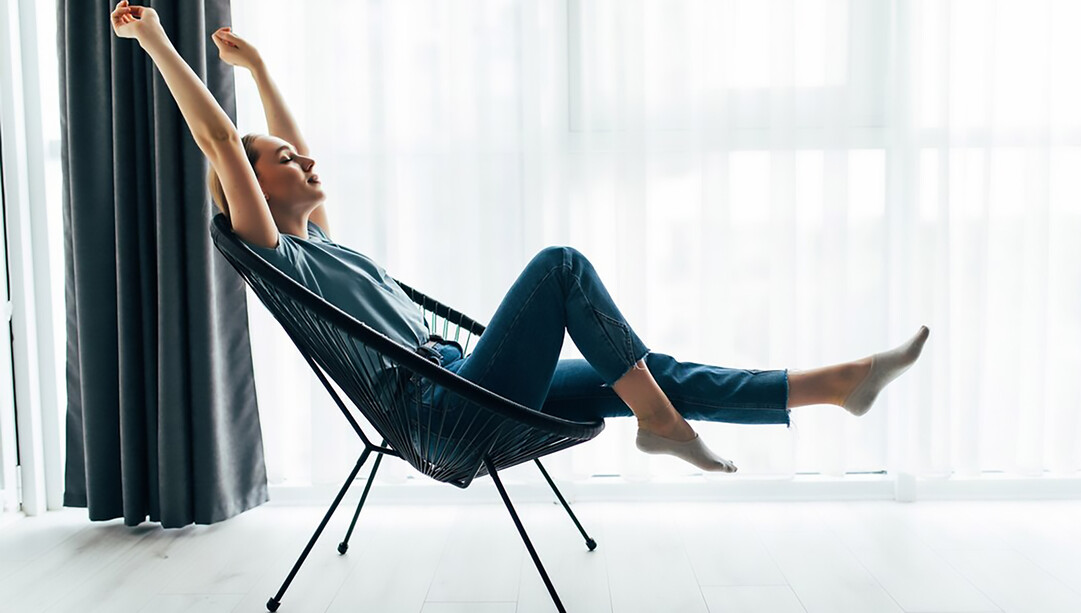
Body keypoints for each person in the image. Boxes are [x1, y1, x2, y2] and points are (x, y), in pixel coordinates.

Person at [111, 2, 930, 474]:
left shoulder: (320, 242)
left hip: (464, 382)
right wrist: (155, 40)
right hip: (438, 409)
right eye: (284, 161)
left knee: (648, 370)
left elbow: (276, 138)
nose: (305, 159)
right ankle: (662, 423)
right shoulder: (274, 251)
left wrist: (259, 72)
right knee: (560, 268)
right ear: (252, 186)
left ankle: (838, 382)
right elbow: (225, 145)